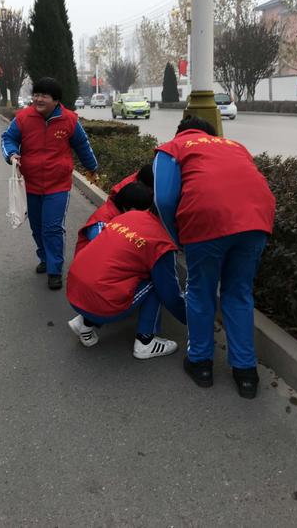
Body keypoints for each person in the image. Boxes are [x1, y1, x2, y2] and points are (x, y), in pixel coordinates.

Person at [153, 116, 276, 399]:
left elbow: (164, 199)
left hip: (206, 223)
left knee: (200, 291)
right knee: (239, 293)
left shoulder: (173, 148)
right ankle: (246, 374)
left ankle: (201, 364)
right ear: (212, 134)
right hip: (256, 221)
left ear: (180, 132)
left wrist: (178, 237)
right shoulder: (234, 146)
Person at [66, 183, 186, 359]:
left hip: (74, 290)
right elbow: (170, 294)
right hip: (101, 302)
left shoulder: (129, 216)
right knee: (157, 284)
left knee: (115, 275)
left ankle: (85, 322)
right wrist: (193, 320)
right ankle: (146, 342)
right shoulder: (162, 244)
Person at [1, 77, 98, 290]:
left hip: (58, 184)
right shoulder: (24, 118)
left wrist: (93, 168)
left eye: (44, 95)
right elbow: (8, 139)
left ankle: (55, 269)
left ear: (56, 100)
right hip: (31, 183)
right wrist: (12, 155)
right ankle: (44, 257)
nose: (38, 99)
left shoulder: (70, 120)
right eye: (36, 95)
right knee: (37, 226)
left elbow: (82, 145)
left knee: (52, 227)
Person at [74, 165, 154, 256]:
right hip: (88, 263)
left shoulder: (119, 208)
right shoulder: (102, 221)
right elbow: (104, 248)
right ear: (132, 210)